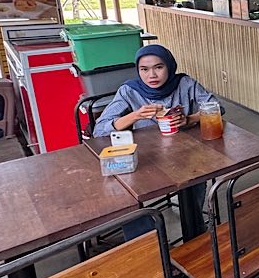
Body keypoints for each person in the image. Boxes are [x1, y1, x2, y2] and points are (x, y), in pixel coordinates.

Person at [94, 44, 221, 239]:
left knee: (196, 178)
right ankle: (149, 248)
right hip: (146, 157)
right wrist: (134, 116)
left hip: (184, 151)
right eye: (144, 69)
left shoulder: (184, 83)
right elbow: (99, 129)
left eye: (158, 67)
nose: (151, 75)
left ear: (169, 67)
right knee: (126, 191)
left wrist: (190, 119)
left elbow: (216, 107)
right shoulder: (129, 91)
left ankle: (195, 235)